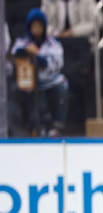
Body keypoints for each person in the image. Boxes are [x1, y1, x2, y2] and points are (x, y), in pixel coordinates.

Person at [11, 8, 69, 137]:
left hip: (50, 80)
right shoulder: (23, 42)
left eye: (39, 26)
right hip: (31, 83)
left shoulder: (52, 43)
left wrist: (38, 56)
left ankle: (57, 125)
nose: (36, 29)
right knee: (26, 93)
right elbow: (15, 55)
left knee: (62, 86)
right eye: (34, 26)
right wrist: (25, 51)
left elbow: (57, 64)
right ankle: (36, 127)